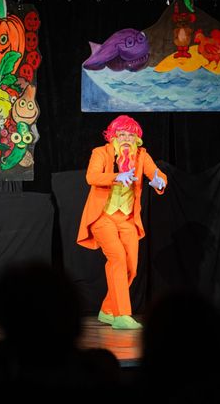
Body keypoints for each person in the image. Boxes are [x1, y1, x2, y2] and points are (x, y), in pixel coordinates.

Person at [77, 115, 167, 330]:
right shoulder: (101, 153)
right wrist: (116, 177)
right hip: (103, 217)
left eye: (131, 135)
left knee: (131, 267)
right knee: (117, 258)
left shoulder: (142, 156)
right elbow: (92, 177)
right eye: (122, 134)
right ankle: (122, 315)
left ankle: (108, 310)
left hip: (127, 219)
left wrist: (159, 181)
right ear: (113, 137)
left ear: (137, 139)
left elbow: (156, 174)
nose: (126, 138)